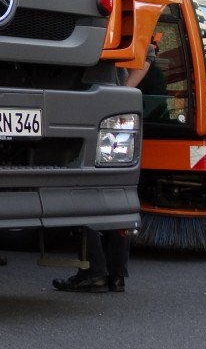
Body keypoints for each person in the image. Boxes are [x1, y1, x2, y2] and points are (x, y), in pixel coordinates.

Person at [52, 43, 154, 295]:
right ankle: (116, 275)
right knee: (115, 187)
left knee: (79, 186)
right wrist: (122, 93)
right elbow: (147, 54)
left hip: (81, 105)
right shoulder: (128, 17)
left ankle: (93, 271)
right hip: (117, 110)